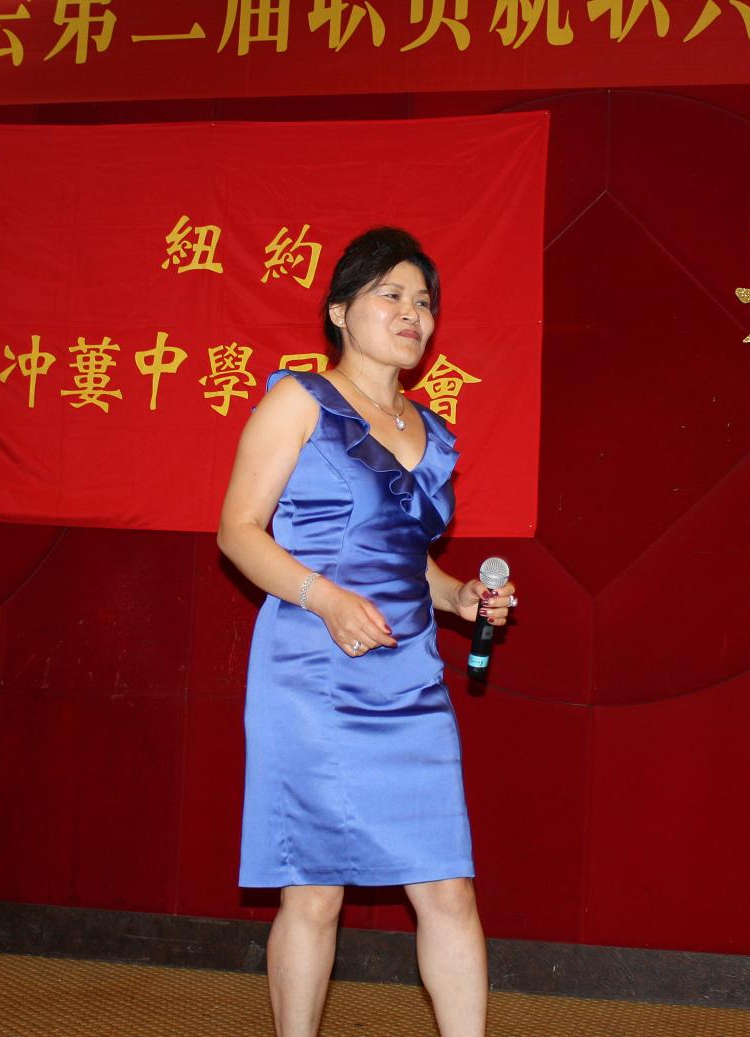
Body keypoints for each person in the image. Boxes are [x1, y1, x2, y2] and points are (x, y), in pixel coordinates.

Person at [216, 227, 516, 1037]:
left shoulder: (432, 431)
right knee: (315, 888)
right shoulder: (299, 401)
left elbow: (408, 560)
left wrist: (460, 599)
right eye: (392, 294)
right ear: (341, 310)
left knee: (447, 884)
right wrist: (324, 598)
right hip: (313, 669)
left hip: (410, 674)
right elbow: (237, 531)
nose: (413, 312)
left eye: (424, 301)